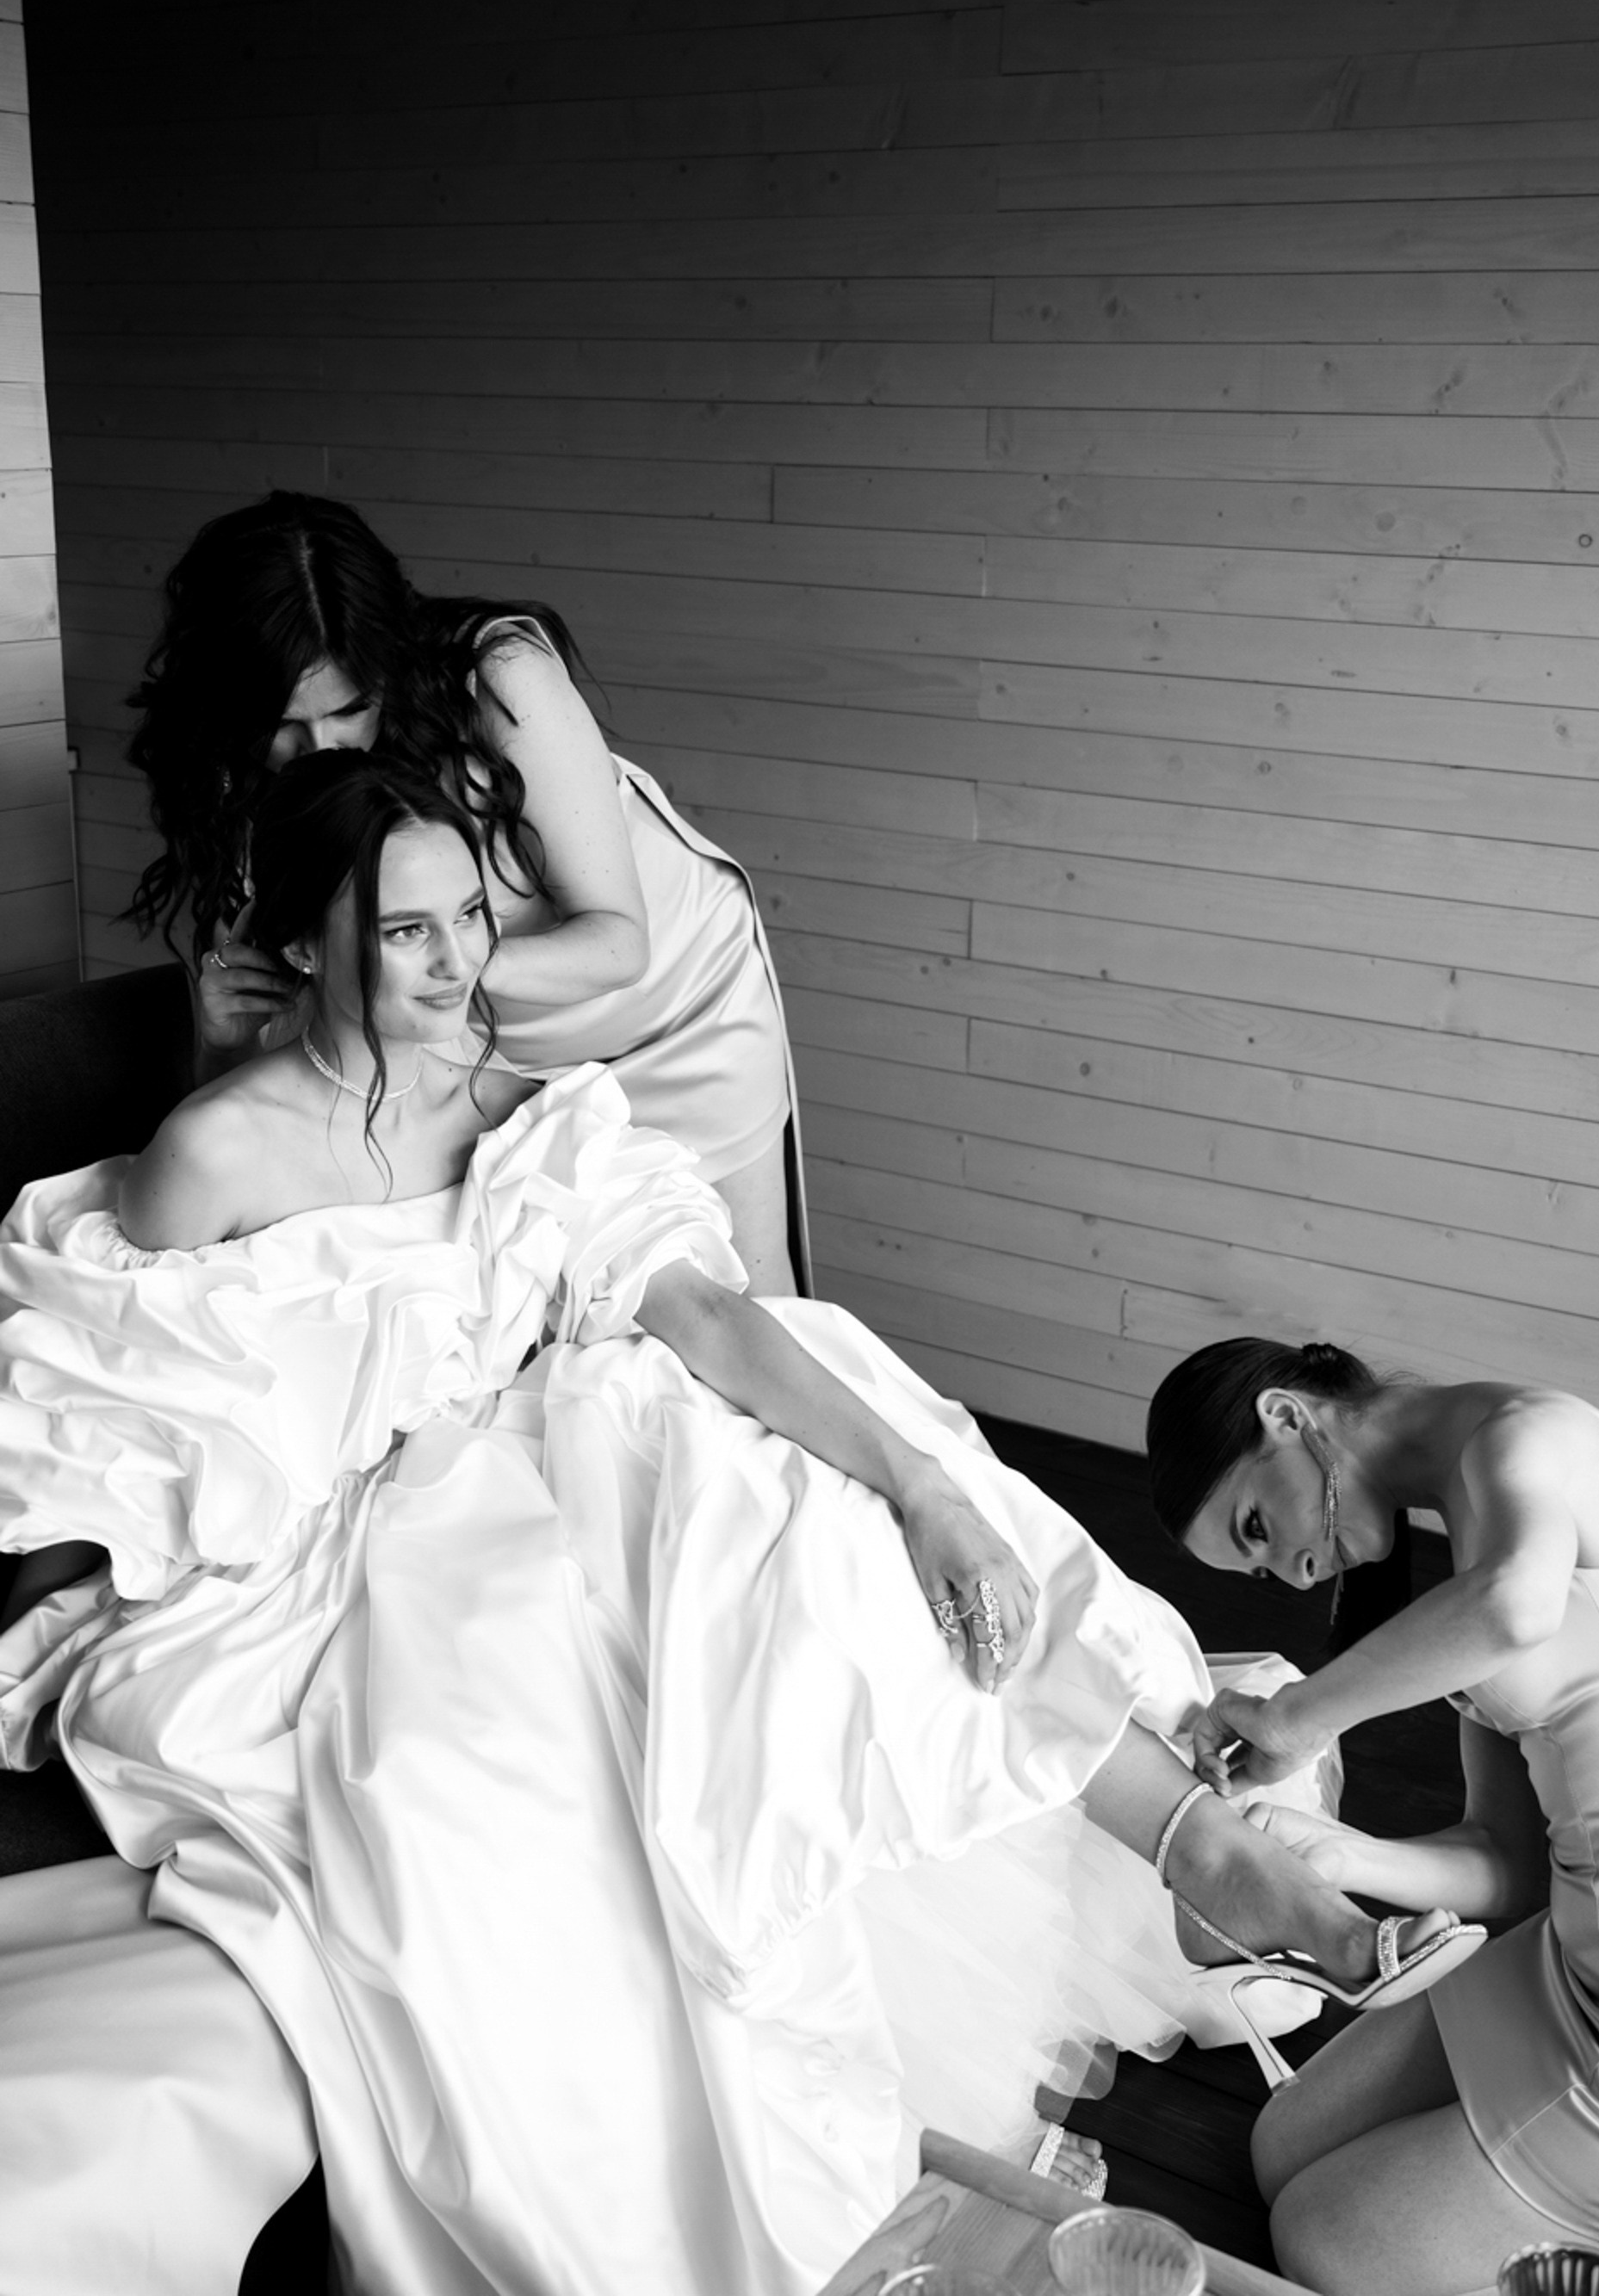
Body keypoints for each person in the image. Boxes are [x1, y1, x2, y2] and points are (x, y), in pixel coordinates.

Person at [0, 760, 1480, 2296]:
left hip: (546, 1464)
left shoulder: (522, 1119)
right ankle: (1201, 1853)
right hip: (339, 1548)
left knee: (778, 1452)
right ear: (304, 940)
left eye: (471, 920)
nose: (458, 967)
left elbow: (709, 1315)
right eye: (406, 932)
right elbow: (115, 1431)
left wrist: (926, 1494)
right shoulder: (217, 1156)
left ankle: (1201, 1844)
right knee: (661, 1520)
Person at [1145, 1336, 1599, 2295]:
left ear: (1286, 1416)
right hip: (1576, 1965)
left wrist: (1296, 1719)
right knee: (1282, 2147)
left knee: (1320, 2237)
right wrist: (1339, 1856)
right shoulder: (1470, 1561)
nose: (1294, 1575)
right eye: (1263, 1573)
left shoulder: (1528, 1437)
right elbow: (1509, 1863)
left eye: (1255, 1527)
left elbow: (1516, 1609)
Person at [123, 489, 804, 1290]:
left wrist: (427, 960)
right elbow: (266, 1091)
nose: (322, 748)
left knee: (741, 1299)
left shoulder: (499, 681)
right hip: (482, 1063)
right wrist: (226, 1039)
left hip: (672, 1013)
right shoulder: (238, 781)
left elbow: (619, 942)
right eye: (282, 723)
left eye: (352, 708)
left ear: (389, 664)